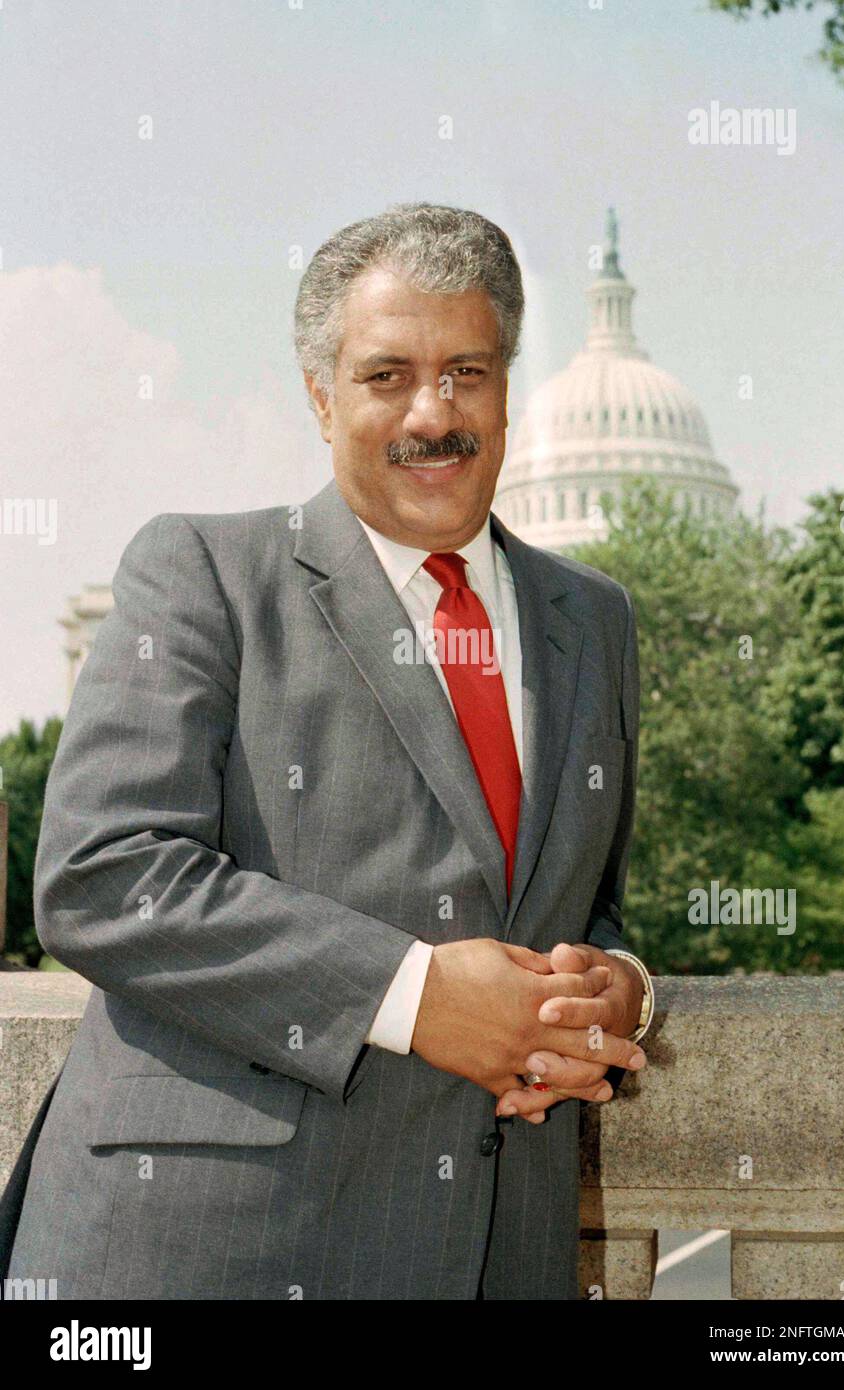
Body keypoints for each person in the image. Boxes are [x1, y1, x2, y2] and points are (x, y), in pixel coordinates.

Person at [2, 202, 653, 1301]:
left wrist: (619, 990)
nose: (431, 413)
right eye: (386, 374)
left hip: (497, 1248)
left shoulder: (593, 619)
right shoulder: (203, 572)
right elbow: (104, 876)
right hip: (211, 1252)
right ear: (319, 394)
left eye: (467, 372)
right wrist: (415, 994)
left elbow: (588, 904)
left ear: (506, 388)